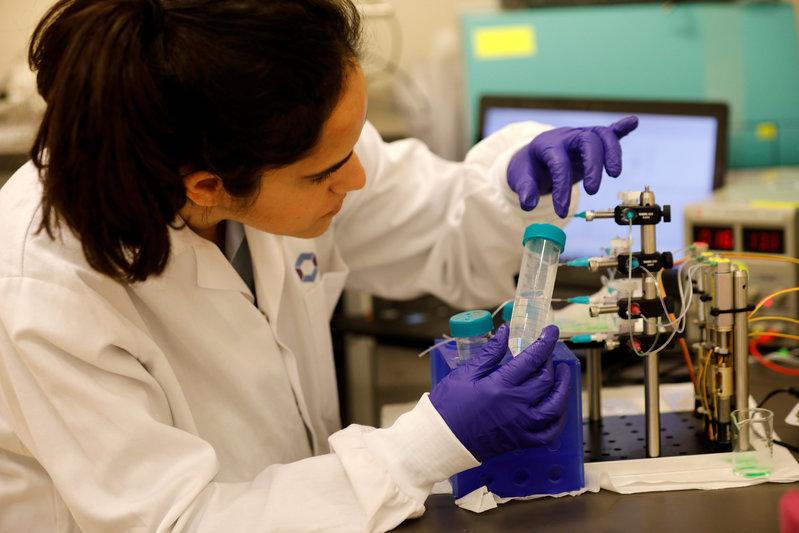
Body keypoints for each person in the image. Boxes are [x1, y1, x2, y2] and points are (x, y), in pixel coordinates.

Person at [0, 0, 637, 531]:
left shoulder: (272, 132)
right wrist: (424, 445)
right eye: (326, 172)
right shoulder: (45, 285)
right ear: (206, 186)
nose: (356, 177)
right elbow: (178, 520)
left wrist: (508, 185)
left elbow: (440, 234)